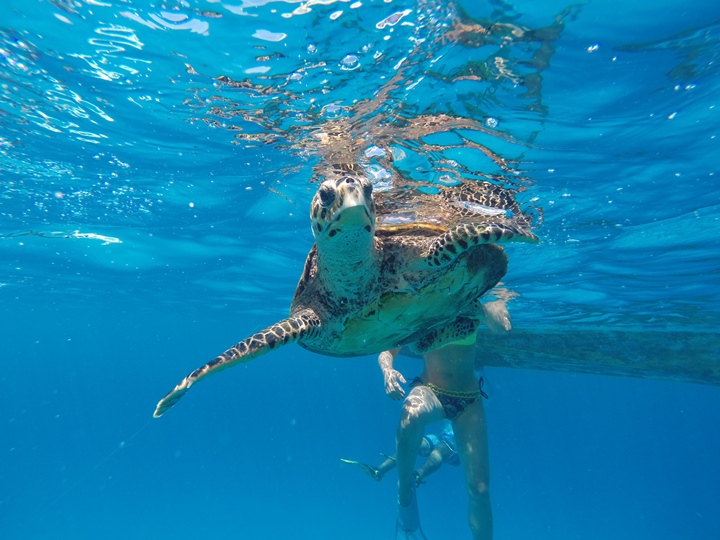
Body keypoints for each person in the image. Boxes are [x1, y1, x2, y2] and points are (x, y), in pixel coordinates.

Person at [381, 299, 510, 540]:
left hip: (468, 398)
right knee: (411, 413)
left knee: (480, 490)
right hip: (429, 389)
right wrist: (387, 371)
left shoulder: (472, 299)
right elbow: (389, 348)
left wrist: (494, 311)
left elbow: (500, 325)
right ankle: (405, 491)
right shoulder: (424, 302)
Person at [340, 421, 463, 487]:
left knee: (438, 451)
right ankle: (379, 471)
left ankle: (417, 475)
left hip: (459, 443)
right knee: (415, 444)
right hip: (442, 436)